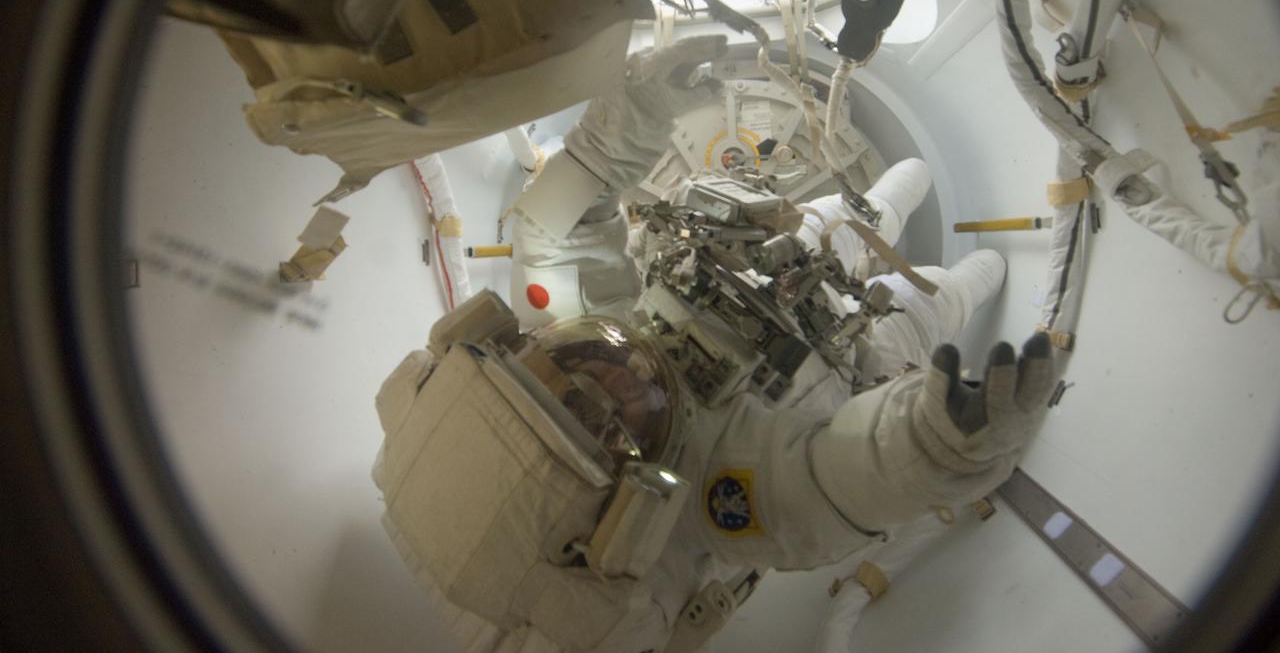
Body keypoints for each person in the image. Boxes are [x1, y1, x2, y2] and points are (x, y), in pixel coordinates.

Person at [372, 35, 1058, 653]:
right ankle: (985, 274)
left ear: (525, 357)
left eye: (563, 375)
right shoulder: (714, 498)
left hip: (777, 255)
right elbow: (835, 485)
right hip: (855, 343)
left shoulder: (581, 334)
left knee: (885, 195)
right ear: (626, 493)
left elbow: (559, 231)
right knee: (949, 289)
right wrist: (935, 443)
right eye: (601, 419)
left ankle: (911, 216)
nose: (609, 377)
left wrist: (631, 113)